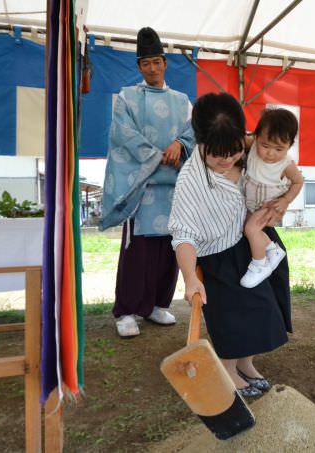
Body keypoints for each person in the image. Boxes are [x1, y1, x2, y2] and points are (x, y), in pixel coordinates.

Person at [168, 92, 292, 397]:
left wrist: (283, 202)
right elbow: (183, 234)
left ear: (244, 137)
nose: (227, 160)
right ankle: (227, 368)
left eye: (234, 151)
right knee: (236, 319)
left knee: (264, 308)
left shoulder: (254, 148)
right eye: (217, 155)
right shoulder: (190, 180)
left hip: (256, 243)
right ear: (200, 142)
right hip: (220, 256)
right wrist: (190, 278)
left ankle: (246, 365)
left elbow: (284, 172)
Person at [99, 27, 195, 338]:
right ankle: (126, 310)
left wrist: (180, 143)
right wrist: (155, 155)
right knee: (138, 251)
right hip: (142, 186)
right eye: (145, 64)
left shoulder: (182, 102)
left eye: (156, 62)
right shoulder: (127, 97)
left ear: (165, 63)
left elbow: (194, 133)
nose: (152, 68)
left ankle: (156, 304)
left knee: (170, 249)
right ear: (139, 67)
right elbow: (122, 134)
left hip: (175, 189)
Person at [240, 109, 303, 288]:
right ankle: (272, 249)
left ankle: (259, 264)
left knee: (251, 230)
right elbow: (237, 139)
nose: (270, 153)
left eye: (279, 149)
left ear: (290, 145)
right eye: (265, 146)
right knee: (247, 227)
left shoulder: (286, 165)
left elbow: (298, 182)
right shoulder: (252, 145)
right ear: (257, 136)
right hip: (249, 204)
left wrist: (286, 201)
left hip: (268, 205)